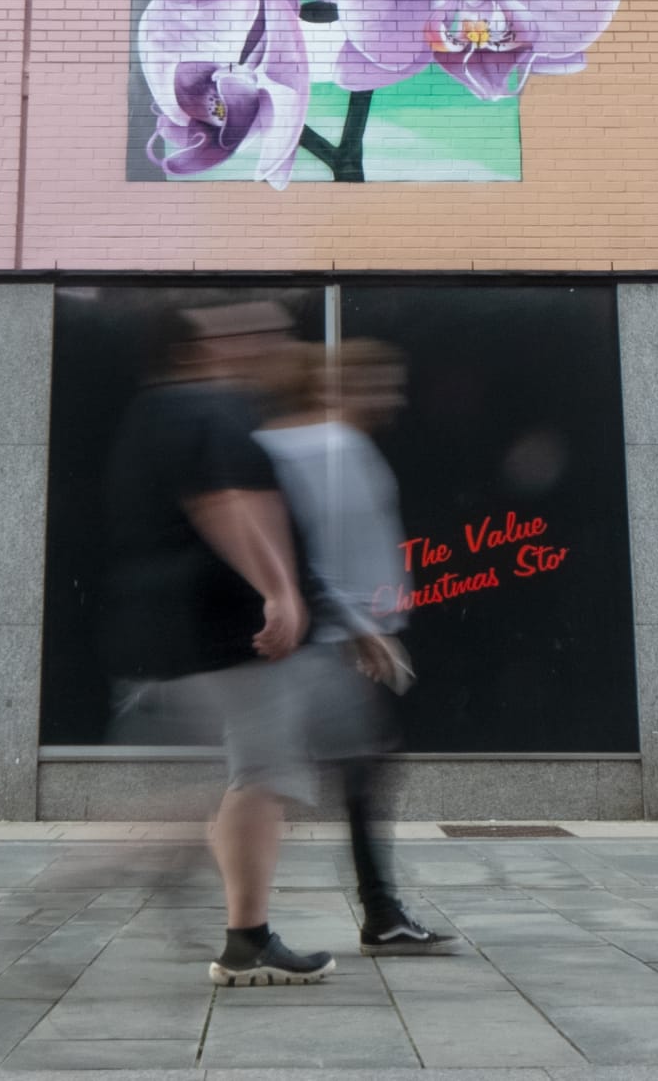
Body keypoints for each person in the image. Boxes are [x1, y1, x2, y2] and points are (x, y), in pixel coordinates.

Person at [101, 301, 332, 987]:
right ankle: (242, 935)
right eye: (258, 332)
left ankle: (239, 927)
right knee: (261, 777)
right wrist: (280, 590)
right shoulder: (209, 409)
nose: (273, 343)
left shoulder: (172, 408)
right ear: (213, 345)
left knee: (245, 781)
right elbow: (223, 502)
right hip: (226, 635)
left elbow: (240, 501)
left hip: (185, 631)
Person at [254, 339, 451, 956]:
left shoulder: (307, 445)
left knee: (349, 771)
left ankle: (380, 910)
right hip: (330, 641)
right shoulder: (333, 448)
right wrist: (364, 628)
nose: (393, 397)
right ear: (341, 386)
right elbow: (314, 551)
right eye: (380, 383)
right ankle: (374, 911)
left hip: (333, 635)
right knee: (275, 778)